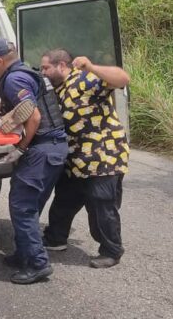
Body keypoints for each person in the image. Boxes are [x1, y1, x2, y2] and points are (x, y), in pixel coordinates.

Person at [0, 37, 68, 284]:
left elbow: (34, 117)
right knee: (30, 205)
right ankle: (23, 253)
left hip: (41, 149)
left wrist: (20, 148)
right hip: (54, 149)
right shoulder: (30, 72)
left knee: (22, 206)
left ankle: (38, 264)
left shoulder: (14, 79)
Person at [39, 48, 130, 269]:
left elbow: (123, 78)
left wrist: (91, 66)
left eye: (46, 68)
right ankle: (56, 238)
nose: (42, 72)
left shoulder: (85, 79)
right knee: (64, 201)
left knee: (101, 206)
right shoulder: (58, 90)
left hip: (102, 158)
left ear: (62, 65)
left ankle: (111, 250)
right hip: (75, 161)